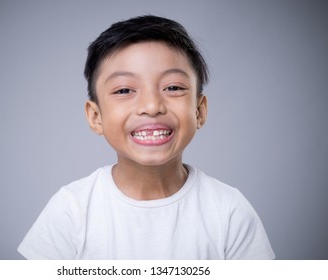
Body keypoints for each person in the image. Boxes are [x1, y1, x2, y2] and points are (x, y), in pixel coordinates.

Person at [18, 15, 275, 260]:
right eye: (124, 90)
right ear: (96, 116)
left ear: (199, 110)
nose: (151, 106)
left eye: (173, 87)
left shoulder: (228, 211)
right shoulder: (71, 210)